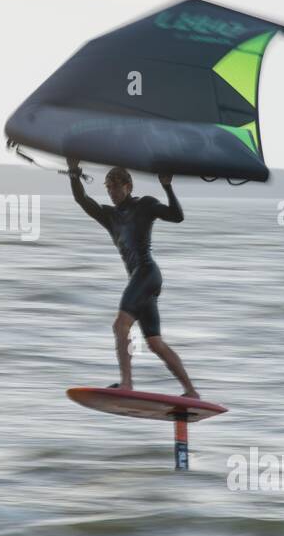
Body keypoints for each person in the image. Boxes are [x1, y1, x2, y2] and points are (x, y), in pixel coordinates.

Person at [67, 160, 199, 398]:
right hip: (142, 280)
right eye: (108, 188)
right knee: (155, 343)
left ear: (128, 186)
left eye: (116, 187)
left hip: (147, 273)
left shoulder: (145, 205)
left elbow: (177, 216)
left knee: (120, 325)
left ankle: (126, 384)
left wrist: (167, 187)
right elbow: (82, 199)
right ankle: (191, 391)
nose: (112, 192)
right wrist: (74, 172)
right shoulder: (108, 216)